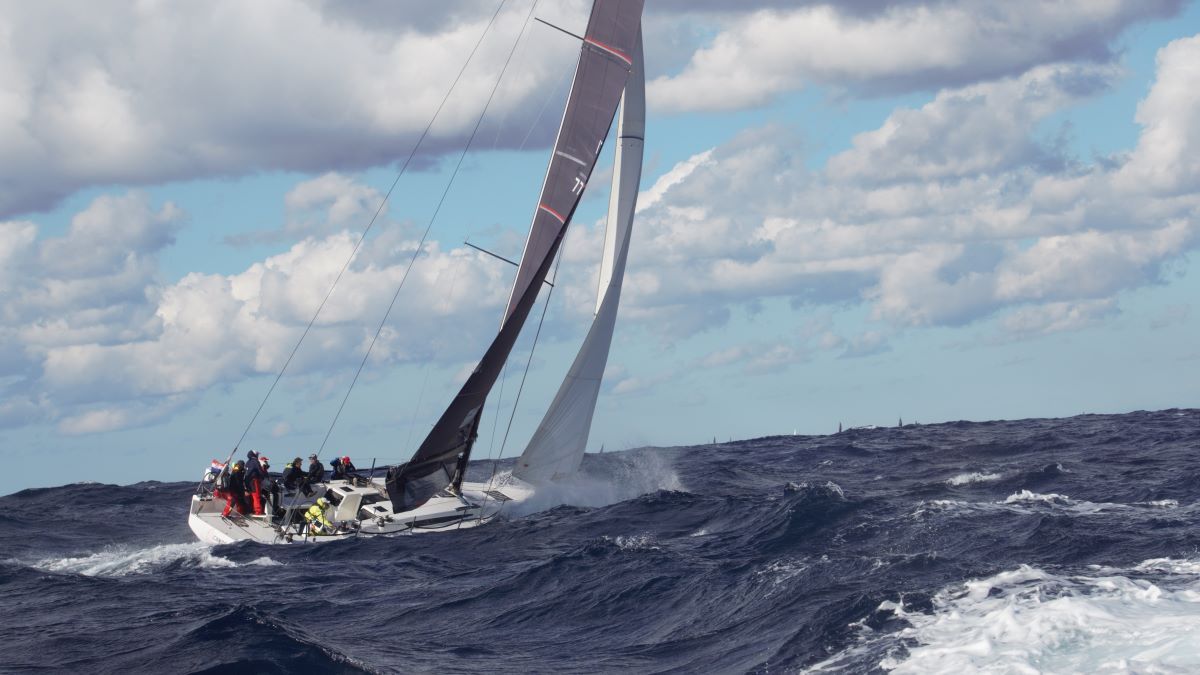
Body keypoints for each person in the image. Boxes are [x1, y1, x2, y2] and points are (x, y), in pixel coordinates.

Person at [243, 450, 266, 516]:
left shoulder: (247, 462)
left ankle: (249, 510)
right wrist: (263, 477)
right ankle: (258, 511)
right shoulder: (255, 461)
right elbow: (260, 471)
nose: (258, 455)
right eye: (257, 454)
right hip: (254, 481)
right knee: (256, 495)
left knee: (250, 495)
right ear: (255, 455)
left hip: (247, 481)